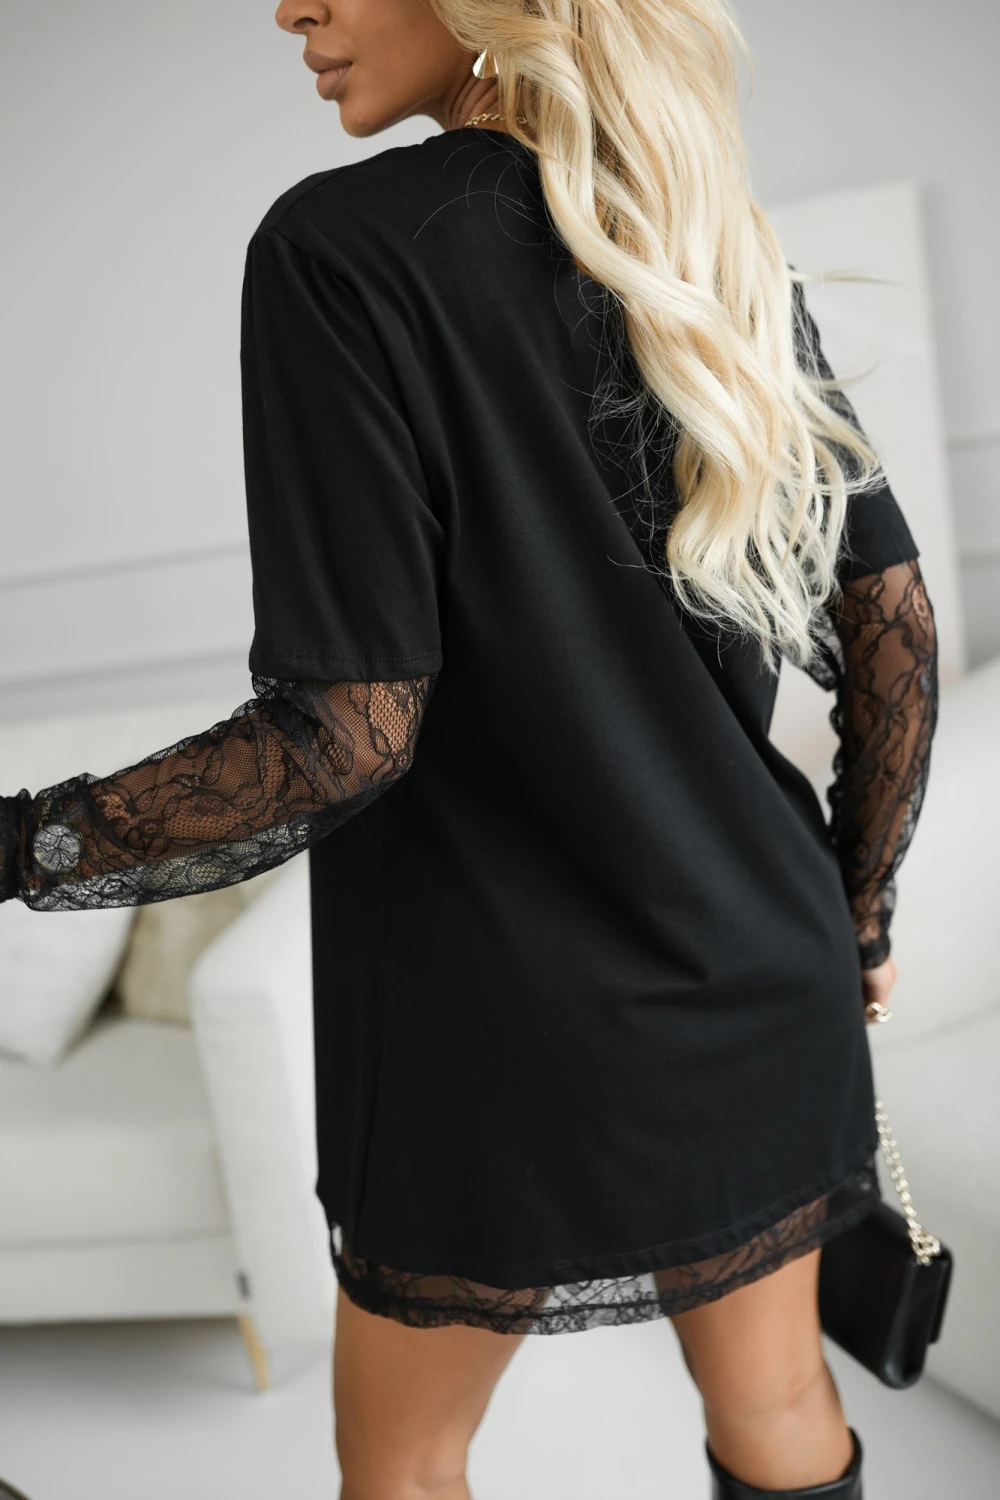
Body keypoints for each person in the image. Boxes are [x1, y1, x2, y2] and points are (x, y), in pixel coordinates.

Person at [0, 1, 940, 1496]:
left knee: (407, 1461)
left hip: (490, 1031)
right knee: (778, 1411)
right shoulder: (699, 240)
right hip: (756, 973)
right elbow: (894, 627)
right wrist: (859, 912)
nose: (291, 7)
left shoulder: (335, 251)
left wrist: (17, 843)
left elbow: (345, 739)